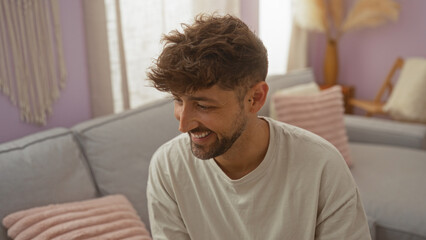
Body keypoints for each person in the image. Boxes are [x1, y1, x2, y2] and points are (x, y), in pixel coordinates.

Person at [146, 14, 371, 240]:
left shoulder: (323, 166)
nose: (183, 125)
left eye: (203, 105)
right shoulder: (167, 167)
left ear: (255, 98)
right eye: (178, 100)